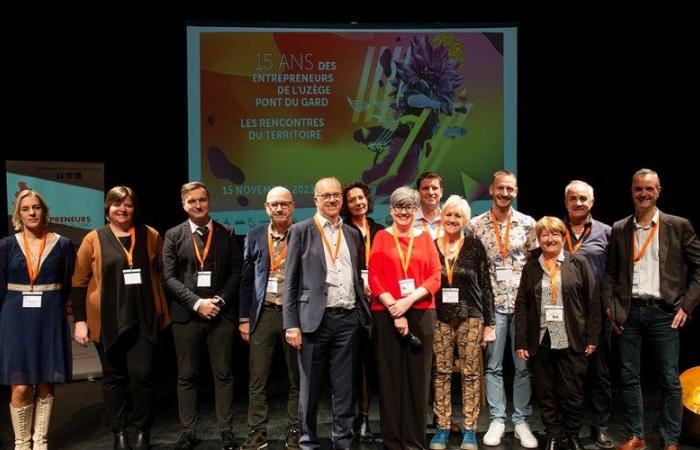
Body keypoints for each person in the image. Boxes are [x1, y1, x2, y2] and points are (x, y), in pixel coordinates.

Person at [601, 169, 700, 450]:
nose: (643, 194)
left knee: (670, 379)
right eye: (638, 189)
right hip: (628, 312)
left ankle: (670, 439)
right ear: (631, 191)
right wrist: (609, 307)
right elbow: (610, 273)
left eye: (649, 189)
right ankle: (636, 435)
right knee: (628, 377)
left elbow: (699, 267)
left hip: (664, 312)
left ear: (659, 191)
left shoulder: (677, 225)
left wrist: (687, 306)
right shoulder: (621, 227)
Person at [71, 186, 170, 450]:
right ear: (108, 208)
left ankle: (142, 431)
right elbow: (79, 282)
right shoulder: (93, 238)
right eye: (117, 204)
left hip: (143, 318)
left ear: (134, 209)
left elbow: (161, 272)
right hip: (107, 321)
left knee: (141, 375)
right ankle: (119, 433)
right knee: (113, 378)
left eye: (128, 205)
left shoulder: (150, 235)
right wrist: (80, 321)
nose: (122, 209)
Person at [283, 177, 372, 450]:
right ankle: (308, 440)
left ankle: (342, 440)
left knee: (344, 387)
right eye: (326, 196)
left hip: (347, 320)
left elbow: (356, 277)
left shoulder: (353, 234)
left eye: (336, 195)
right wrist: (291, 324)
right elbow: (291, 281)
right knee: (309, 389)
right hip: (312, 321)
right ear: (316, 200)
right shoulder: (301, 231)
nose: (333, 200)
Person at [162, 182, 242, 450]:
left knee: (224, 375)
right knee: (187, 377)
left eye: (202, 200)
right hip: (187, 316)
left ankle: (226, 431)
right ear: (184, 204)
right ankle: (188, 432)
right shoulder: (173, 235)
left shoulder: (226, 232)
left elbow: (235, 272)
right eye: (192, 201)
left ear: (209, 202)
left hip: (221, 315)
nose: (198, 205)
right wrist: (197, 303)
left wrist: (218, 300)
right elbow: (169, 277)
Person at [515, 216, 600, 450]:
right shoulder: (531, 267)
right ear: (539, 238)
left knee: (572, 393)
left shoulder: (578, 263)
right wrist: (520, 340)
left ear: (563, 237)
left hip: (572, 338)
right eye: (544, 234)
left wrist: (593, 337)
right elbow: (522, 305)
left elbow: (593, 302)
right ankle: (552, 434)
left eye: (555, 234)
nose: (549, 239)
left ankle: (572, 435)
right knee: (546, 393)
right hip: (541, 339)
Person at [468, 170, 539, 448]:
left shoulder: (528, 224)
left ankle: (521, 420)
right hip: (492, 306)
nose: (505, 193)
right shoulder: (475, 225)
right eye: (501, 188)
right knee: (494, 367)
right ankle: (498, 419)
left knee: (523, 367)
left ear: (516, 191)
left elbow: (533, 261)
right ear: (491, 189)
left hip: (521, 307)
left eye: (510, 189)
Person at [0, 190, 75, 450]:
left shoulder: (63, 244)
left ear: (44, 210)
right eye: (25, 208)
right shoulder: (6, 245)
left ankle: (40, 440)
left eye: (36, 207)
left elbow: (67, 283)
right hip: (16, 317)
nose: (32, 213)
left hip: (49, 315)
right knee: (20, 386)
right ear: (18, 214)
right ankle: (22, 442)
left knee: (45, 381)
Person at [368, 186, 441, 450]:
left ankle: (413, 442)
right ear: (390, 210)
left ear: (416, 209)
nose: (403, 211)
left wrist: (407, 302)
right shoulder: (381, 237)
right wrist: (394, 308)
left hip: (421, 312)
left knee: (417, 381)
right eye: (398, 206)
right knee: (389, 381)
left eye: (409, 206)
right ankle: (392, 441)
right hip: (386, 314)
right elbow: (374, 277)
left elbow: (435, 277)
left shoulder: (426, 238)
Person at [429, 195, 495, 450]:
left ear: (465, 220)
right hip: (441, 318)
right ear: (442, 217)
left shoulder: (475, 245)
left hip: (471, 317)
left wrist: (489, 324)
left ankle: (470, 429)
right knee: (441, 373)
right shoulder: (432, 245)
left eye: (458, 216)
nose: (452, 220)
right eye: (448, 215)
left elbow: (486, 286)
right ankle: (443, 427)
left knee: (470, 374)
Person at [239, 186, 300, 450]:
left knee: (296, 378)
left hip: (293, 315)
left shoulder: (302, 234)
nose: (279, 208)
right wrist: (243, 318)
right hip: (262, 314)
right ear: (266, 207)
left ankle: (294, 430)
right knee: (258, 378)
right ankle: (257, 432)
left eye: (284, 204)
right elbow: (245, 279)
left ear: (292, 206)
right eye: (274, 204)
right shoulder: (253, 235)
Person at [562, 180, 613, 449]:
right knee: (563, 371)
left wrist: (610, 305)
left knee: (598, 372)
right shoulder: (555, 230)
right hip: (558, 312)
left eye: (583, 198)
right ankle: (567, 428)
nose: (578, 203)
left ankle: (599, 426)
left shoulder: (606, 232)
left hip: (594, 313)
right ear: (566, 202)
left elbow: (613, 272)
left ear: (591, 202)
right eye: (573, 198)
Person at [341, 181, 383, 441]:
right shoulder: (343, 230)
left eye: (361, 198)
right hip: (350, 305)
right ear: (346, 205)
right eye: (352, 199)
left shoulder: (380, 231)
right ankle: (350, 418)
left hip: (378, 304)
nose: (358, 202)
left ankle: (366, 420)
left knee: (371, 364)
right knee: (351, 366)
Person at [414, 172, 444, 239]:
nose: (430, 192)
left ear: (441, 192)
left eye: (434, 188)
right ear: (418, 193)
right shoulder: (407, 222)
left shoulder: (451, 221)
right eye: (425, 188)